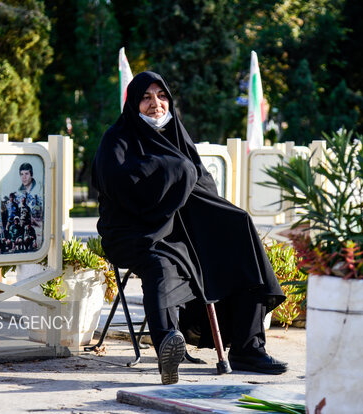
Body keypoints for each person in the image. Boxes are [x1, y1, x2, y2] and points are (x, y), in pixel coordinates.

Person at [91, 71, 287, 385]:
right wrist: (173, 169)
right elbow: (120, 186)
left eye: (161, 96)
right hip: (132, 232)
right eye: (146, 97)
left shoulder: (177, 134)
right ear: (133, 104)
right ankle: (169, 345)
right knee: (161, 264)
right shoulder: (118, 139)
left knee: (239, 229)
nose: (155, 104)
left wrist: (188, 185)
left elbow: (202, 187)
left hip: (180, 231)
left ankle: (247, 346)